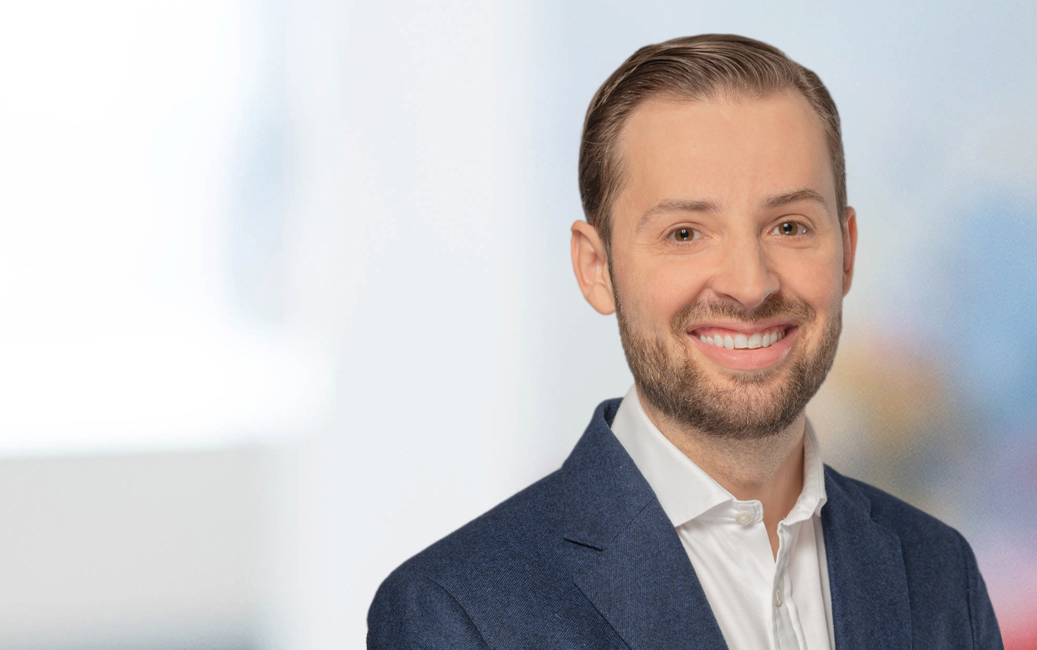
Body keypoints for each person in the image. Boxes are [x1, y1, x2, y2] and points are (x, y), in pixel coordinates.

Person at [367, 34, 1003, 649]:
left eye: (789, 226)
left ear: (847, 252)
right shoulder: (457, 615)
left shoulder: (941, 574)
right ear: (596, 268)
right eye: (685, 234)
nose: (749, 286)